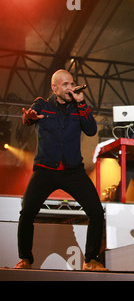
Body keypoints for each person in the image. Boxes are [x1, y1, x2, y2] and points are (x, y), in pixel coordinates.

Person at [15, 69, 107, 271]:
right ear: (54, 88)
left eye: (72, 83)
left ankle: (91, 260)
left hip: (73, 170)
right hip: (45, 169)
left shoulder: (78, 107)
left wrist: (82, 103)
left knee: (96, 212)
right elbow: (29, 119)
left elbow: (91, 130)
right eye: (65, 84)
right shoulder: (42, 104)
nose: (70, 87)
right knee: (27, 212)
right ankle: (25, 259)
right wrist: (29, 117)